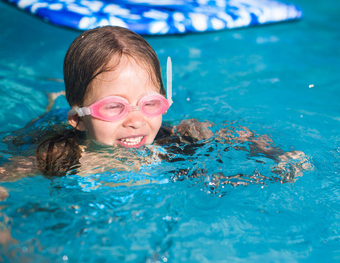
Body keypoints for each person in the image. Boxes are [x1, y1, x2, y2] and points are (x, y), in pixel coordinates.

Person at [2, 26, 310, 181]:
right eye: (114, 107)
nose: (135, 121)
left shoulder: (172, 142)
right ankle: (52, 98)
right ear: (78, 119)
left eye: (149, 103)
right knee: (43, 117)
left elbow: (234, 134)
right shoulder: (57, 156)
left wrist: (272, 154)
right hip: (54, 128)